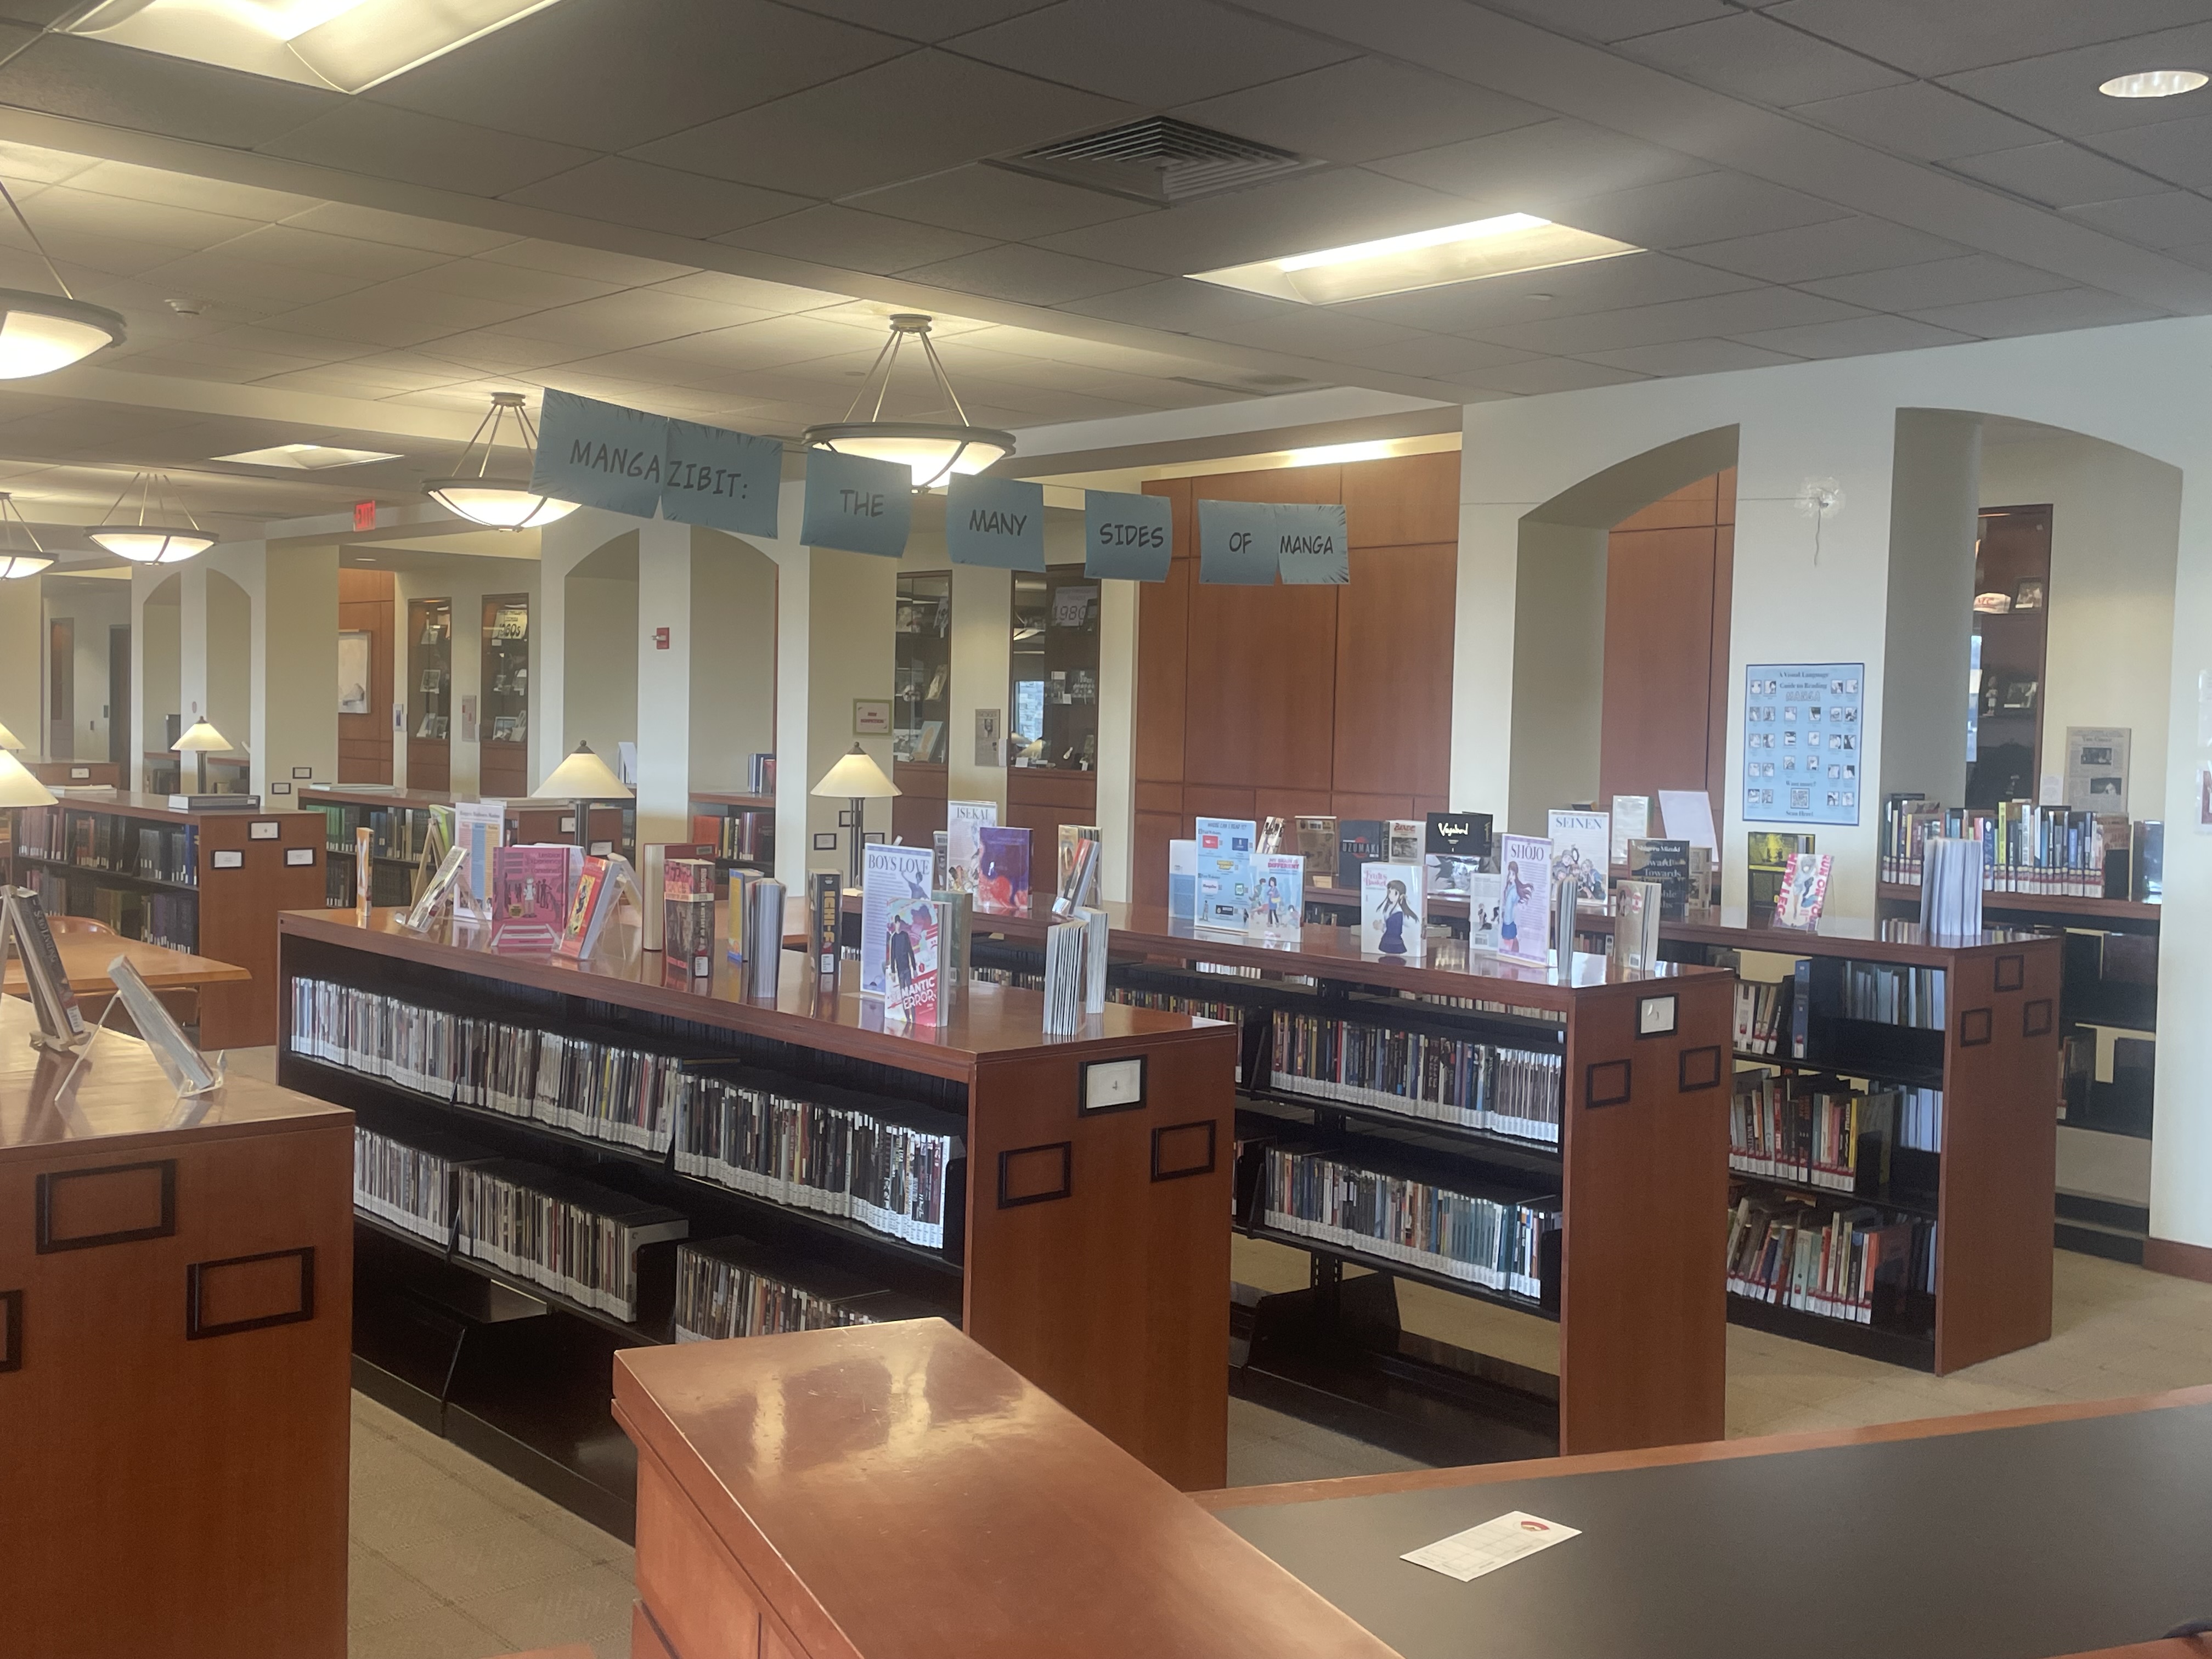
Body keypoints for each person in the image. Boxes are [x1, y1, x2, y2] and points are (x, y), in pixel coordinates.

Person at [1374, 877, 1416, 955]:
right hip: (1387, 940)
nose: (1391, 895)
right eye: (1390, 892)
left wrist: (1382, 927)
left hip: (1394, 941)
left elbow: (1395, 931)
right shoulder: (1389, 908)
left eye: (1395, 893)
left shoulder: (1399, 913)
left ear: (1401, 896)